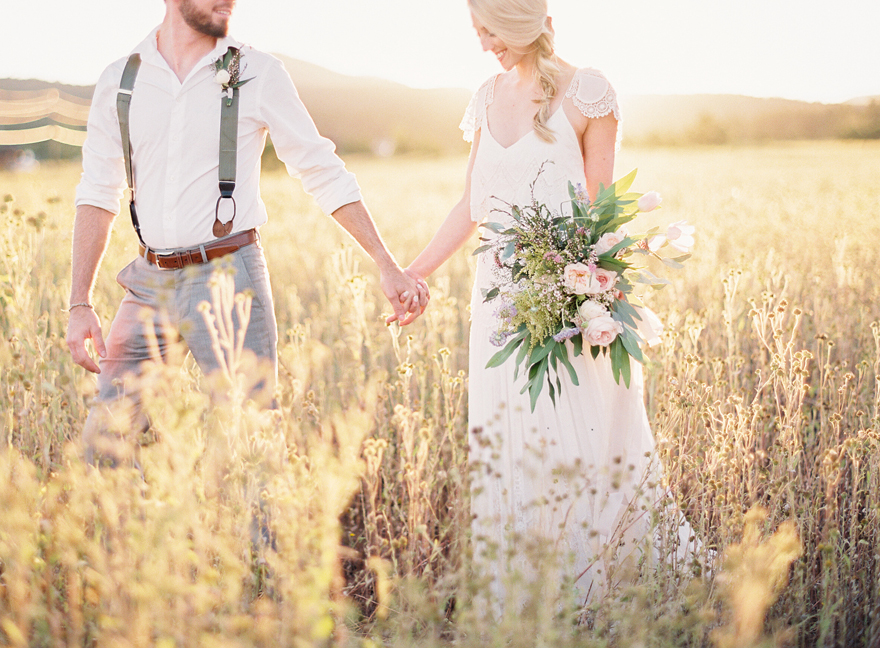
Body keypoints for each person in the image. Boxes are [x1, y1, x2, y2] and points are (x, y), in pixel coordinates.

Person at [393, 0, 692, 608]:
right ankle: (522, 593)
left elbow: (600, 205)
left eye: (491, 31)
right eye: (476, 34)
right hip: (497, 303)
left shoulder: (589, 92)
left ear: (522, 18)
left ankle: (587, 592)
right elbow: (472, 205)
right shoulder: (484, 96)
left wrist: (593, 288)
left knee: (574, 437)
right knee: (508, 438)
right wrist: (414, 272)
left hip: (566, 298)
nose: (484, 46)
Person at [66, 0, 427, 462]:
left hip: (229, 276)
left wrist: (386, 263)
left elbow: (320, 169)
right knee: (103, 445)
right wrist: (80, 303)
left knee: (250, 451)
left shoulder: (257, 71)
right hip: (147, 281)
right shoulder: (121, 79)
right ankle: (149, 534)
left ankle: (262, 537)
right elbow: (97, 193)